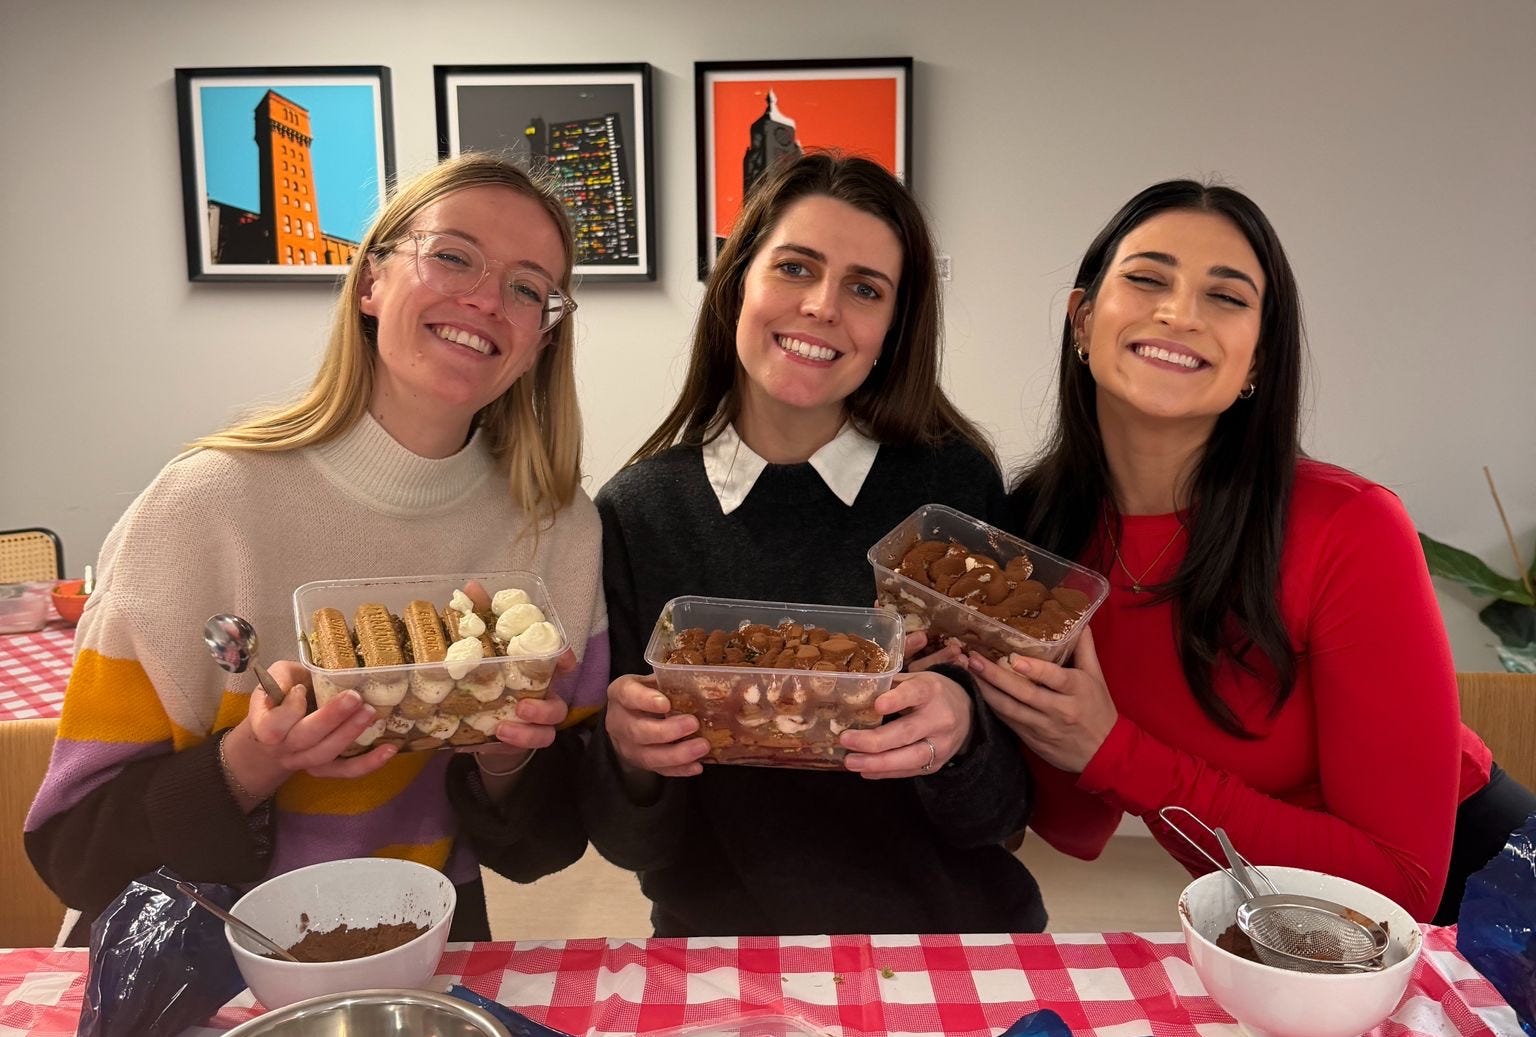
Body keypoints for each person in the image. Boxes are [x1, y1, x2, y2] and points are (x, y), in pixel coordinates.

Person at [25, 153, 610, 943]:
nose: (485, 299)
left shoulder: (557, 530)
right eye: (451, 256)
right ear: (371, 282)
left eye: (528, 288)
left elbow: (545, 847)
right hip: (195, 952)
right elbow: (72, 847)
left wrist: (507, 756)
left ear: (541, 339)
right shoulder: (204, 506)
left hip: (415, 947)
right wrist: (253, 760)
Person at [964, 179, 1536, 924]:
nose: (1180, 314)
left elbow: (1400, 887)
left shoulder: (1350, 526)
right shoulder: (1037, 530)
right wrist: (989, 690)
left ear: (1258, 359)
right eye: (1147, 279)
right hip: (1271, 921)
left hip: (1483, 904)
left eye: (1226, 297)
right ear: (1083, 318)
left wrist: (1115, 751)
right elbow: (1077, 828)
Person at [584, 152, 1042, 937]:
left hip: (948, 939)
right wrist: (629, 755)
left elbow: (1005, 812)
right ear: (737, 283)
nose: (823, 306)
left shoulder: (951, 489)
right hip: (721, 946)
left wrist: (963, 735)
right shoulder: (640, 512)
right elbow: (632, 844)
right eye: (795, 267)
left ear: (893, 328)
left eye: (865, 288)